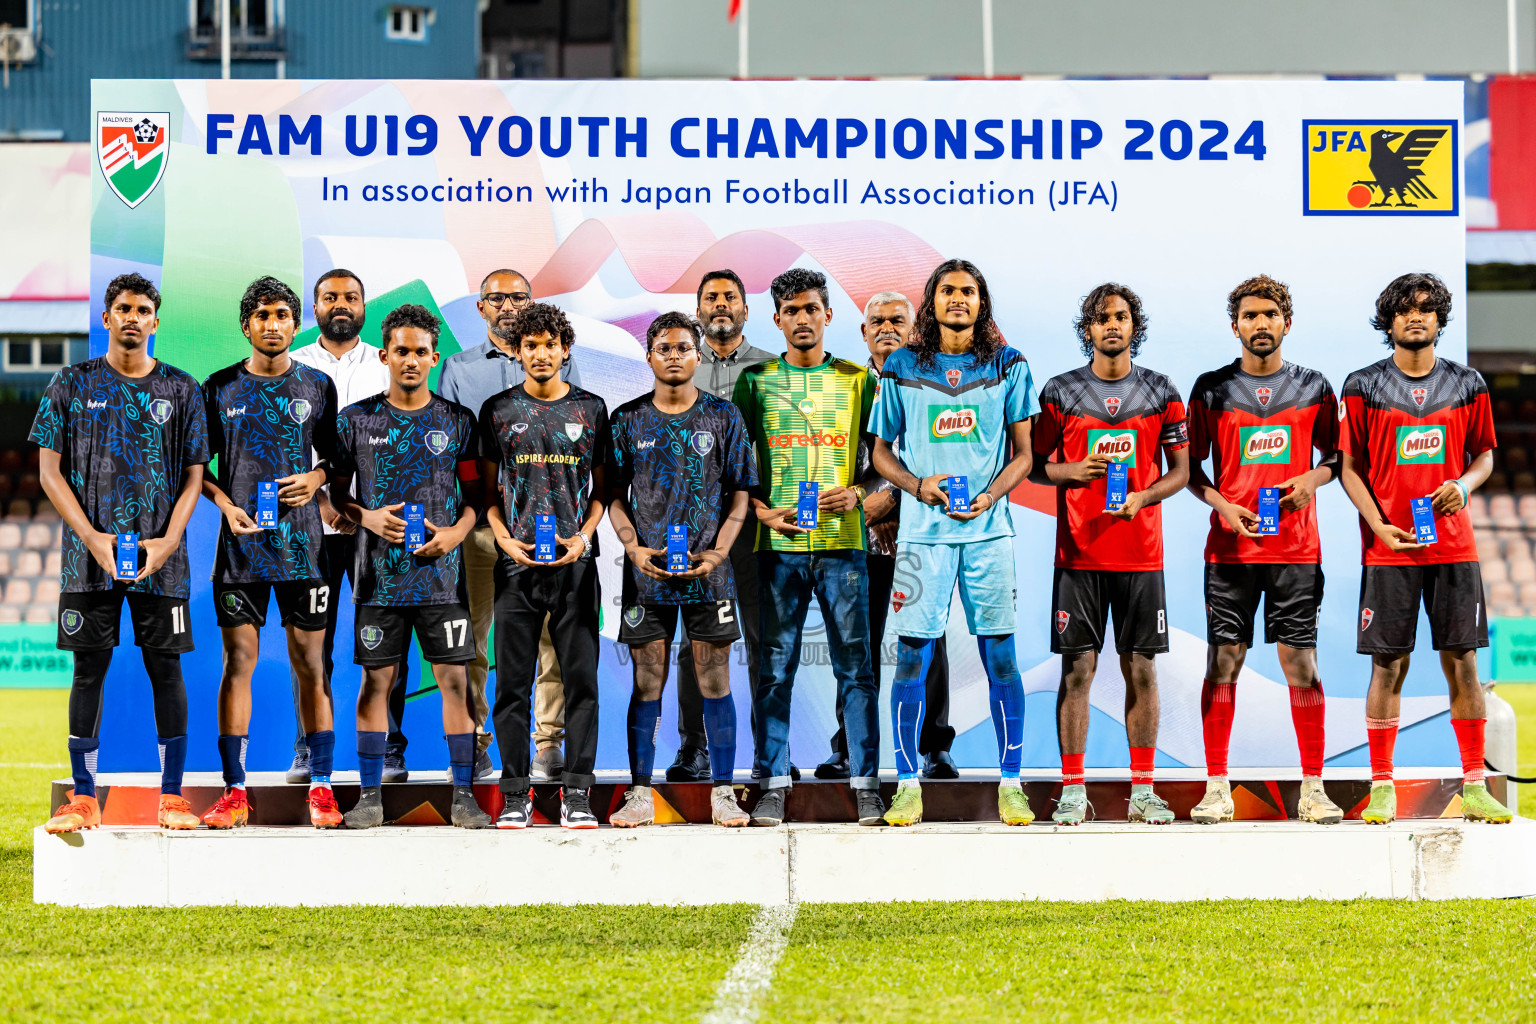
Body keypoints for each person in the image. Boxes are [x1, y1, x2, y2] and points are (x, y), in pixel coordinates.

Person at [38, 273, 209, 834]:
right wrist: (91, 538)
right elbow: (48, 471)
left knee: (166, 668)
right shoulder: (69, 383)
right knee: (89, 670)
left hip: (163, 560)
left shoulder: (183, 389)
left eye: (143, 309)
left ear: (156, 322)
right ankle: (83, 798)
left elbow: (192, 478)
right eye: (123, 308)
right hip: (88, 560)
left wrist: (167, 542)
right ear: (106, 318)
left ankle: (172, 797)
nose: (133, 317)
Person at [1338, 272, 1511, 825]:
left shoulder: (1468, 384)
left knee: (1463, 664)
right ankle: (1383, 786)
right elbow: (1348, 468)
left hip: (1455, 550)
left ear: (1440, 319)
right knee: (1388, 666)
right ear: (1388, 321)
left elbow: (1484, 455)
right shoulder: (1363, 385)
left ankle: (1475, 785)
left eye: (1426, 308)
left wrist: (1464, 485)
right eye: (1404, 309)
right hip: (1389, 549)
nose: (1416, 317)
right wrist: (1379, 525)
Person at [870, 260, 1038, 827]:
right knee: (913, 656)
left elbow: (1024, 455)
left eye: (968, 291)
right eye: (948, 291)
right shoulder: (901, 366)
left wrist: (989, 497)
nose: (958, 300)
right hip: (923, 534)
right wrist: (919, 486)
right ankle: (908, 785)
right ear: (931, 301)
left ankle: (1011, 783)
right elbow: (880, 453)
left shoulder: (1008, 364)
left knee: (1001, 657)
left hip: (990, 533)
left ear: (981, 301)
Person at [1185, 275, 1343, 825]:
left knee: (1301, 662)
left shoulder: (1315, 387)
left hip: (1297, 551)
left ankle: (1314, 789)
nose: (1260, 324)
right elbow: (1190, 471)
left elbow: (1338, 457)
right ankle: (1216, 787)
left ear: (1287, 323)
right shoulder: (1210, 389)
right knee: (1224, 661)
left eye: (1270, 314)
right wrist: (1223, 507)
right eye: (1249, 316)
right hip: (1229, 552)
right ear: (1235, 326)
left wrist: (1312, 480)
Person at [1030, 283, 1189, 826]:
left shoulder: (1162, 391)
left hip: (1141, 557)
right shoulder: (1060, 391)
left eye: (1121, 317)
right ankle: (1073, 790)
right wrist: (1069, 472)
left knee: (1141, 669)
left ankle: (1143, 790)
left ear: (1134, 325)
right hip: (1079, 557)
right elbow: (1032, 467)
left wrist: (1143, 496)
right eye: (1101, 319)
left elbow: (1183, 472)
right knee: (1078, 671)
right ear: (1088, 329)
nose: (1112, 326)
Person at [329, 304, 490, 830]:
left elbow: (478, 498)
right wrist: (365, 516)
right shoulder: (355, 422)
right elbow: (334, 497)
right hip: (378, 582)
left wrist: (454, 535)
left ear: (434, 356)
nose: (412, 360)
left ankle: (463, 793)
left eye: (422, 352)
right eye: (402, 351)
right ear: (384, 355)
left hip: (442, 583)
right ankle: (370, 795)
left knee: (455, 683)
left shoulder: (459, 422)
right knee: (376, 685)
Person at [736, 267, 884, 828]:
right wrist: (762, 510)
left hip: (844, 547)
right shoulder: (755, 382)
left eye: (811, 309)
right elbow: (735, 470)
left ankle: (866, 784)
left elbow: (884, 463)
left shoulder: (855, 380)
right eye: (791, 310)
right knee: (774, 670)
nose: (802, 318)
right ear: (776, 319)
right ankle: (772, 780)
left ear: (828, 315)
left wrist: (860, 493)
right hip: (777, 548)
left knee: (857, 669)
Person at [199, 277, 344, 829]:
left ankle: (322, 788)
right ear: (247, 325)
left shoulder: (318, 386)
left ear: (294, 321)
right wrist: (223, 504)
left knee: (312, 666)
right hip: (240, 551)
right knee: (239, 663)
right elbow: (198, 469)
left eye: (282, 314)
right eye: (262, 315)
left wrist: (317, 477)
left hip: (304, 549)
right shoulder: (219, 388)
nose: (273, 324)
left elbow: (339, 460)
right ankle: (235, 791)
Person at [607, 312, 757, 827]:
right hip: (647, 573)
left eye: (682, 347)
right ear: (649, 356)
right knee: (647, 680)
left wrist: (719, 552)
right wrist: (632, 546)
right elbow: (612, 498)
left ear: (698, 355)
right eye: (663, 347)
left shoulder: (724, 416)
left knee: (715, 678)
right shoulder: (626, 420)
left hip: (709, 574)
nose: (673, 355)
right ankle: (640, 794)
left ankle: (722, 792)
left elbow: (741, 493)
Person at [438, 268, 579, 782]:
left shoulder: (564, 360)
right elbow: (455, 449)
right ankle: (474, 741)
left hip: (545, 525)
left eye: (520, 296)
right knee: (473, 637)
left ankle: (548, 744)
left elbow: (574, 442)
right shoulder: (458, 367)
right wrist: (485, 514)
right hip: (478, 523)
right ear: (481, 308)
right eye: (498, 298)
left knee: (548, 638)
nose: (510, 305)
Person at [817, 290, 957, 782]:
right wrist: (858, 502)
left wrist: (894, 499)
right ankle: (849, 746)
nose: (886, 328)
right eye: (876, 320)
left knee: (928, 640)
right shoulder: (845, 386)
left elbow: (945, 452)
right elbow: (832, 456)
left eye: (898, 320)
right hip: (858, 534)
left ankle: (935, 747)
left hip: (921, 528)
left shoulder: (935, 382)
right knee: (857, 645)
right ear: (862, 331)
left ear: (914, 328)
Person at [481, 303, 608, 829]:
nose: (539, 354)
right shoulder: (497, 411)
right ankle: (516, 795)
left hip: (576, 566)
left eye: (548, 344)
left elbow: (603, 489)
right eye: (529, 345)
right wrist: (505, 540)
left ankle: (576, 793)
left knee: (580, 682)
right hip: (517, 567)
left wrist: (583, 537)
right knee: (512, 684)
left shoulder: (593, 409)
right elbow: (486, 489)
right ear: (516, 350)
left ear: (565, 349)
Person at [288, 270, 407, 783]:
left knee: (386, 641)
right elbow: (283, 446)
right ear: (314, 308)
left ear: (364, 306)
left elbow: (400, 438)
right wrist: (320, 500)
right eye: (330, 297)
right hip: (309, 526)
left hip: (374, 526)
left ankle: (391, 749)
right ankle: (308, 751)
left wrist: (359, 506)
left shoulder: (385, 364)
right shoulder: (292, 365)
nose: (341, 304)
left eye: (351, 297)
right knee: (312, 647)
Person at [668, 269, 777, 783]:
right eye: (710, 297)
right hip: (692, 535)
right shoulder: (679, 367)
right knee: (694, 644)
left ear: (746, 309)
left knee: (760, 641)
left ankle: (766, 754)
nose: (721, 304)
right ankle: (694, 749)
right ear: (698, 308)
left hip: (755, 528)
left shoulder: (772, 370)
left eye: (730, 296)